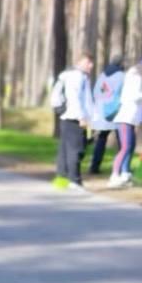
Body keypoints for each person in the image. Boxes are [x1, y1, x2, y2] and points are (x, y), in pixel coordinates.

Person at [109, 55, 142, 188]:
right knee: (125, 147)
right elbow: (132, 96)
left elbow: (138, 98)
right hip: (125, 118)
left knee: (130, 146)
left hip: (131, 118)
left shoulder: (139, 78)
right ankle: (114, 175)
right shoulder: (135, 77)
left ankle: (125, 173)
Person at [49, 53, 95, 189]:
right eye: (88, 62)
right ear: (80, 62)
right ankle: (74, 180)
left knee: (65, 149)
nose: (91, 65)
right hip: (74, 118)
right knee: (76, 149)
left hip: (67, 117)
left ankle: (62, 178)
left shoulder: (75, 76)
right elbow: (74, 98)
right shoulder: (77, 77)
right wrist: (81, 117)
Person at [88, 55, 124, 177]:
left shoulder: (102, 75)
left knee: (101, 139)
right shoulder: (121, 76)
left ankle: (94, 166)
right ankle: (121, 168)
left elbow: (95, 92)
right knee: (122, 142)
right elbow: (122, 93)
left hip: (101, 111)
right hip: (116, 111)